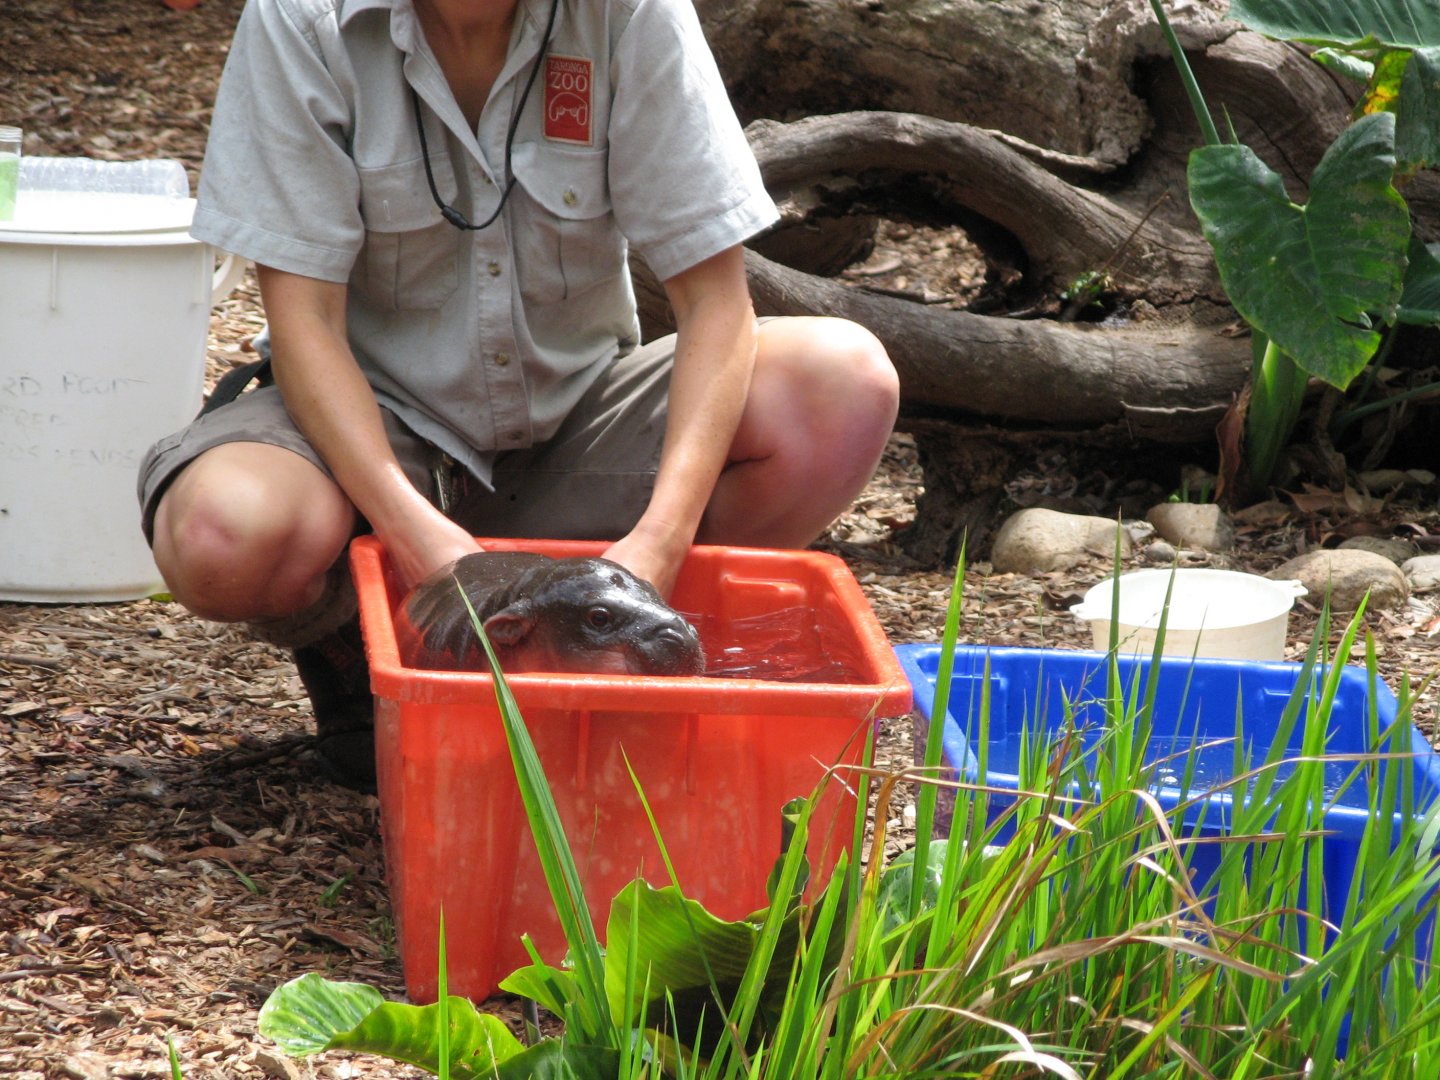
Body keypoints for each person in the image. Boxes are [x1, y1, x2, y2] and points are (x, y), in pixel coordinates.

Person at [138, 0, 900, 791]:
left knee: (841, 386)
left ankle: (616, 652)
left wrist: (658, 549)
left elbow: (716, 301)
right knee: (226, 536)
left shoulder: (631, 13)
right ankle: (364, 651)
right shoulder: (303, 18)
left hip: (574, 414)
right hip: (374, 428)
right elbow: (307, 324)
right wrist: (421, 544)